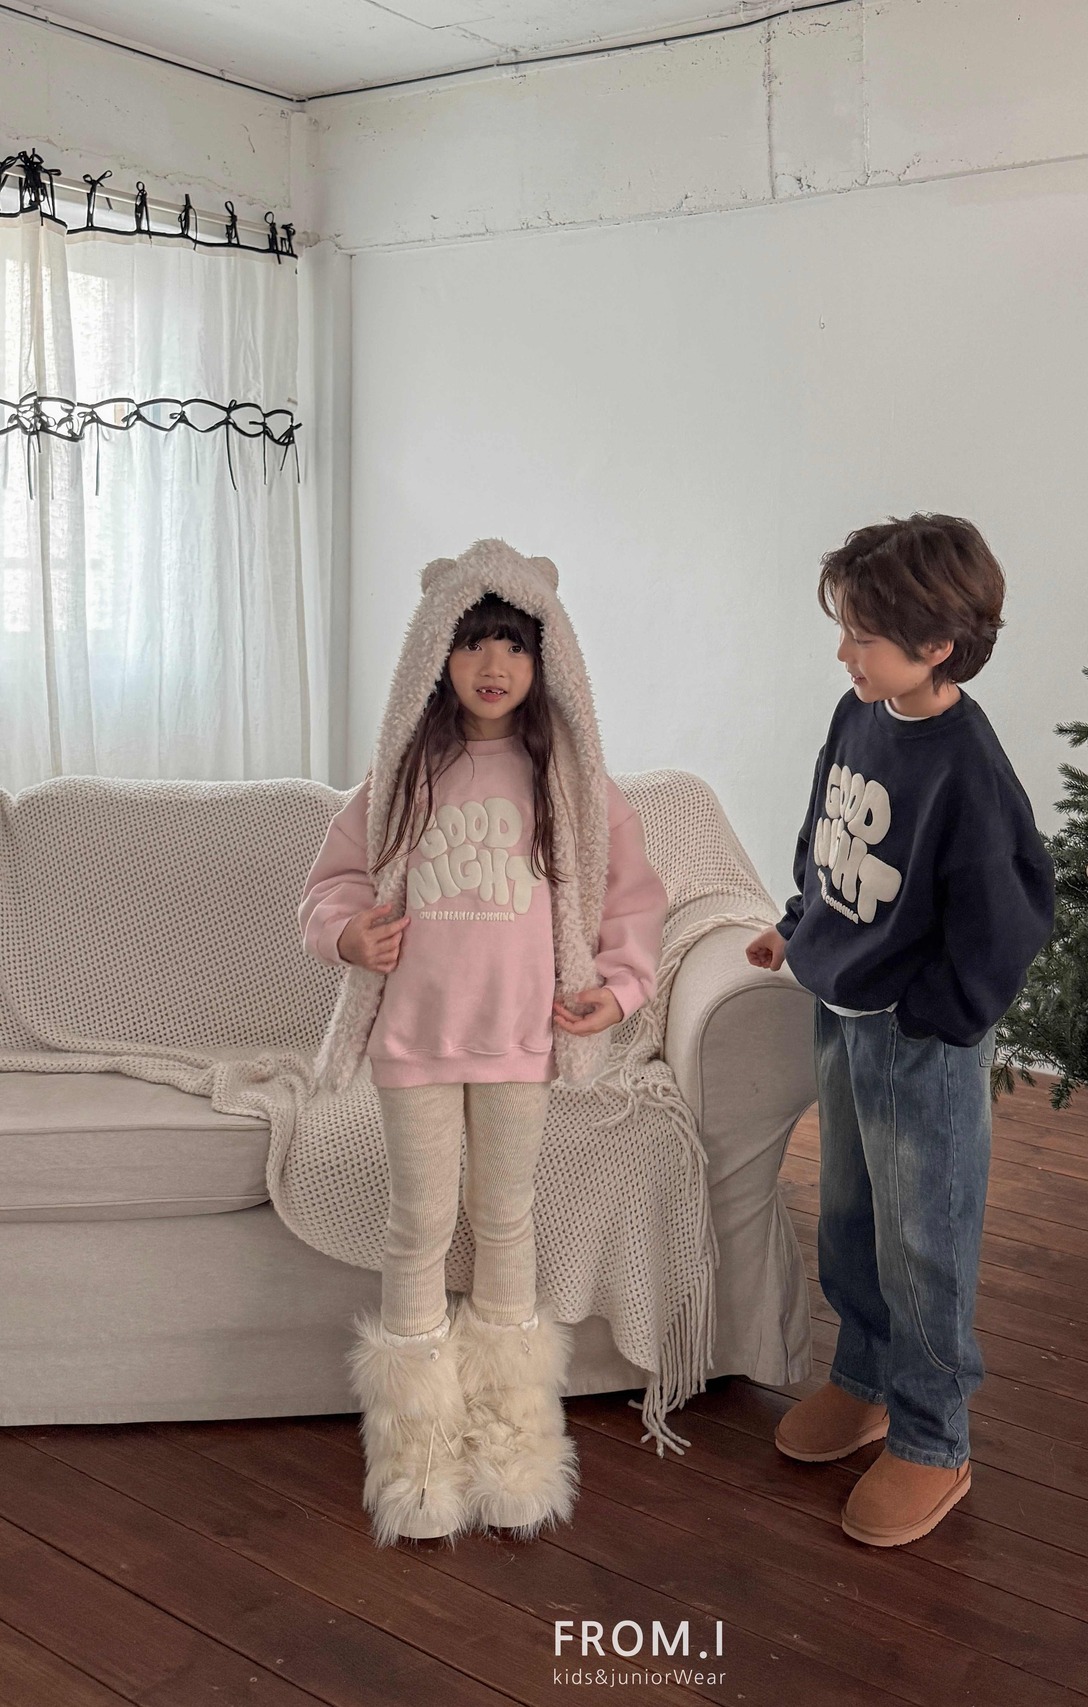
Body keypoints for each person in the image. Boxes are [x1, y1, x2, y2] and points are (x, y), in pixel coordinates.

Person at [299, 539, 666, 1546]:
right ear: (435, 655)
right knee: (418, 1224)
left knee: (504, 1220)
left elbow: (631, 899)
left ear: (547, 661)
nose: (493, 664)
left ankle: (512, 1439)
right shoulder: (402, 775)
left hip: (518, 1043)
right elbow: (332, 882)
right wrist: (347, 933)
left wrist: (619, 987)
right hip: (414, 1042)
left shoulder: (574, 786)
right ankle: (416, 1451)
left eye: (514, 644)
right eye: (471, 643)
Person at [746, 514, 1054, 1548]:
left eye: (863, 636)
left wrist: (935, 1017)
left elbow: (1013, 913)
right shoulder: (859, 712)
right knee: (847, 1212)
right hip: (841, 1010)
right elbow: (826, 835)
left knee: (924, 1239)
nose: (844, 652)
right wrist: (799, 925)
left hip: (915, 1039)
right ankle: (865, 1378)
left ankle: (932, 1435)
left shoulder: (968, 770)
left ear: (935, 645)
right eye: (843, 630)